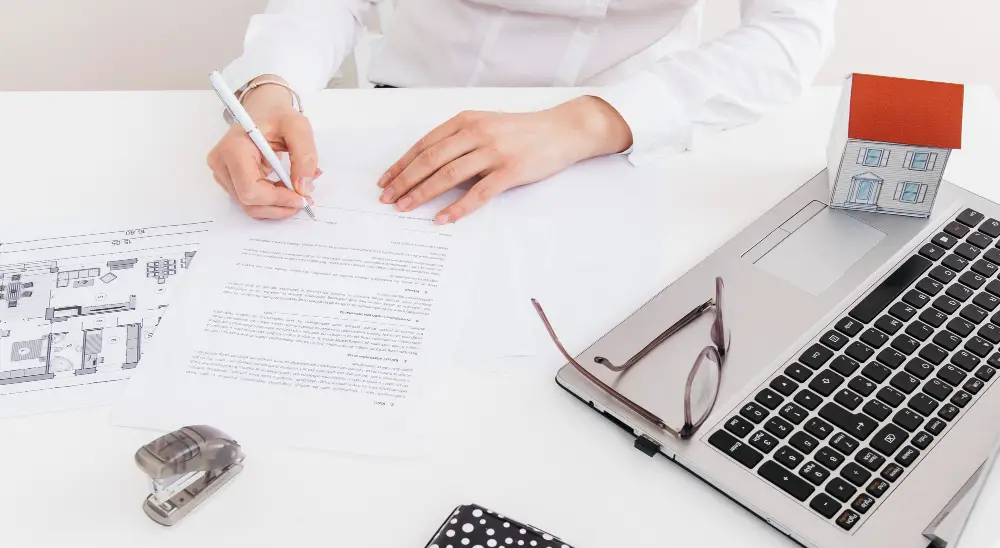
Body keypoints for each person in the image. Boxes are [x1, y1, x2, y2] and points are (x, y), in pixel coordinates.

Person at [208, 0, 835, 223]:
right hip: (411, 115)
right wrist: (269, 85)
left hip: (622, 134)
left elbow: (789, 36)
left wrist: (587, 122)